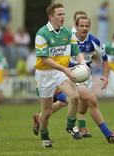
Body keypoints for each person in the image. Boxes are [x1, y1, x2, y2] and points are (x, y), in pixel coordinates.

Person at [33, 16, 114, 144]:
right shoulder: (67, 36)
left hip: (83, 76)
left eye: (87, 26)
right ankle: (108, 134)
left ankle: (40, 117)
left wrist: (106, 75)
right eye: (81, 26)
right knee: (91, 100)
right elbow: (53, 56)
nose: (84, 28)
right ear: (76, 26)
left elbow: (104, 58)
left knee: (74, 104)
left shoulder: (93, 41)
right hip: (67, 76)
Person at [34, 3, 89, 148]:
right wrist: (65, 70)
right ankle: (44, 136)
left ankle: (70, 126)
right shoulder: (42, 33)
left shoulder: (67, 32)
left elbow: (76, 51)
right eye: (59, 14)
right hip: (44, 74)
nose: (63, 17)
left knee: (74, 96)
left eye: (64, 14)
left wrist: (83, 65)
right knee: (46, 112)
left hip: (60, 72)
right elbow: (45, 59)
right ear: (51, 17)